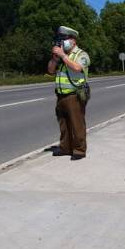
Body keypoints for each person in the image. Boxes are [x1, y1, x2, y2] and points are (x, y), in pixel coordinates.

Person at [48, 26, 90, 160]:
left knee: (77, 123)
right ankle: (65, 147)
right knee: (63, 124)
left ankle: (79, 150)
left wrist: (62, 55)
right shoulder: (61, 56)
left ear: (73, 40)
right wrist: (55, 59)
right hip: (60, 95)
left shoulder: (81, 54)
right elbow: (50, 70)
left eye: (64, 39)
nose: (62, 42)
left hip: (75, 95)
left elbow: (77, 68)